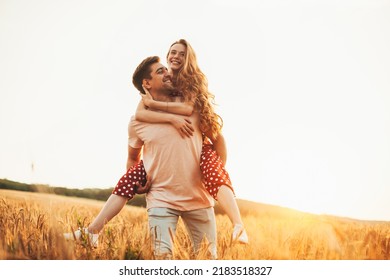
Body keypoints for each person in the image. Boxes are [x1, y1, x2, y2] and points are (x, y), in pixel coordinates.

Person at [64, 39, 248, 249]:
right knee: (161, 260)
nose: (168, 72)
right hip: (161, 200)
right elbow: (133, 156)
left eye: (168, 68)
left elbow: (218, 138)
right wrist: (137, 177)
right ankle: (92, 232)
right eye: (161, 71)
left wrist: (214, 172)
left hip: (198, 200)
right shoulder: (138, 120)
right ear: (147, 84)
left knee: (207, 259)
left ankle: (238, 224)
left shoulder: (191, 103)